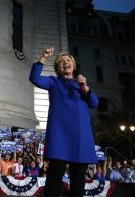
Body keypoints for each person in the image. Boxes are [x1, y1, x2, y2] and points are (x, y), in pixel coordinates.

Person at [29, 47, 99, 197]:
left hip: (80, 136)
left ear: (73, 66)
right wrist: (43, 57)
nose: (65, 63)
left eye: (68, 61)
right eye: (61, 62)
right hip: (59, 135)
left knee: (78, 180)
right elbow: (34, 78)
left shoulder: (81, 85)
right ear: (58, 68)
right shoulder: (53, 82)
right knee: (54, 177)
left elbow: (94, 103)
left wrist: (85, 88)